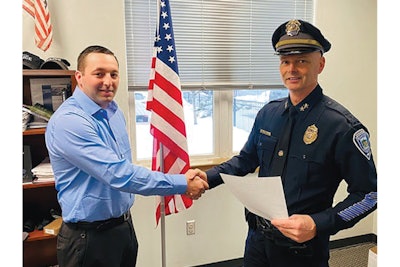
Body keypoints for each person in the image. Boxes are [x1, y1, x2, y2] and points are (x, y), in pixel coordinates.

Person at [200, 19, 377, 267]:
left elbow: (370, 194)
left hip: (302, 253)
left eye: (302, 61)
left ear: (321, 64)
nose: (291, 69)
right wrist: (208, 178)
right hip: (257, 242)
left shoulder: (342, 127)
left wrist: (319, 223)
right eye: (285, 61)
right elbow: (246, 160)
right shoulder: (268, 114)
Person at [45, 45, 209, 267]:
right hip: (89, 238)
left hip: (122, 228)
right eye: (99, 73)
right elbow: (119, 174)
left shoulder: (112, 111)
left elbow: (121, 166)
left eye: (114, 74)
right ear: (79, 77)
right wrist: (182, 183)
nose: (108, 81)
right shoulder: (70, 122)